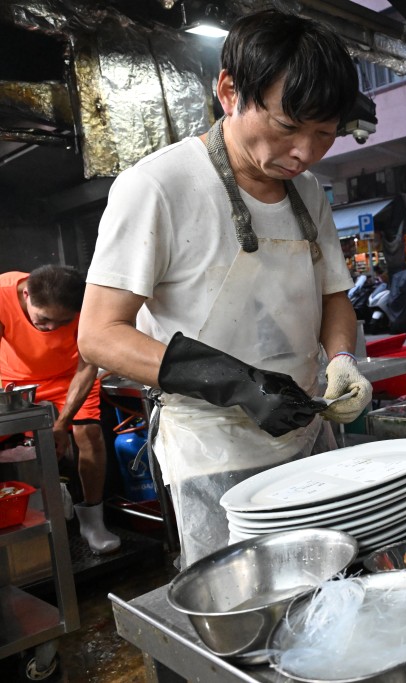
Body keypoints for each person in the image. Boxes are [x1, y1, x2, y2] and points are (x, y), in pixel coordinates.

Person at [78, 9, 372, 567]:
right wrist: (237, 384)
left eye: (325, 135)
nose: (305, 153)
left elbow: (333, 295)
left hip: (307, 430)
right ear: (229, 90)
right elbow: (99, 335)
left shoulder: (308, 192)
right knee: (245, 605)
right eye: (288, 127)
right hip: (213, 449)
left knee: (330, 583)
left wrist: (340, 359)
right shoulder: (158, 187)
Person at [0, 266, 120, 554]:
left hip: (70, 377)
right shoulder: (2, 294)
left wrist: (61, 424)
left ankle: (92, 522)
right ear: (26, 294)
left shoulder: (89, 304)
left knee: (89, 434)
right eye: (43, 319)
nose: (51, 329)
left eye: (62, 322)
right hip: (15, 380)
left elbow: (88, 365)